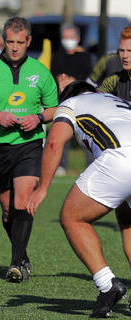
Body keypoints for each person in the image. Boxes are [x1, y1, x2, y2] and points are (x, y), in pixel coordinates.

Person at [0, 17, 58, 283]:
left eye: (20, 42)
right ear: (4, 41)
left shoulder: (41, 72)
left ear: (29, 41)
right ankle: (23, 255)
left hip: (29, 144)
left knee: (22, 202)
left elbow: (55, 108)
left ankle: (16, 264)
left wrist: (38, 117)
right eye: (10, 42)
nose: (15, 48)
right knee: (7, 210)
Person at [26, 80, 131, 318]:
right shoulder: (116, 100)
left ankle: (107, 285)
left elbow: (54, 142)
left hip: (122, 157)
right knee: (128, 222)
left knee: (72, 218)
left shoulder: (71, 104)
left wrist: (42, 188)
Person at [51, 22, 93, 176]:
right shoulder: (58, 55)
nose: (68, 40)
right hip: (63, 100)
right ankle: (60, 166)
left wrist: (73, 81)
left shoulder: (85, 56)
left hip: (82, 100)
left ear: (78, 38)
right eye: (65, 37)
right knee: (62, 133)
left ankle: (91, 166)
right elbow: (54, 73)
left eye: (71, 37)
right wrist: (61, 80)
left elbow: (88, 77)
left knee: (87, 135)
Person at [97, 26, 131, 101]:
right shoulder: (115, 79)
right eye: (121, 50)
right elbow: (94, 97)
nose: (125, 56)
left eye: (130, 51)